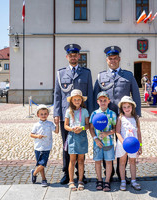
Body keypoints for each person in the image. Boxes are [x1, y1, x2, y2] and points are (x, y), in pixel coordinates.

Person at [93, 45, 141, 181]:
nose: (112, 60)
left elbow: (136, 95)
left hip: (123, 116)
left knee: (124, 143)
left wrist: (136, 115)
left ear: (119, 59)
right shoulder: (101, 76)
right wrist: (94, 115)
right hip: (105, 116)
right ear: (107, 60)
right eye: (110, 58)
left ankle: (122, 172)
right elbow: (95, 95)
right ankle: (107, 169)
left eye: (115, 58)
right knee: (105, 142)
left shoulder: (128, 75)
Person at [53, 44, 93, 184]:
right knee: (67, 145)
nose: (73, 57)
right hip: (67, 115)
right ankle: (66, 172)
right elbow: (57, 95)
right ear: (67, 57)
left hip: (82, 116)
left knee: (81, 144)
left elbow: (90, 94)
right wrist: (56, 114)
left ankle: (81, 174)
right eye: (71, 55)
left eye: (75, 55)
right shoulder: (60, 73)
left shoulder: (86, 73)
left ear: (79, 56)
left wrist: (91, 116)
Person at [89, 91, 117, 192]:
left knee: (109, 162)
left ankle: (107, 181)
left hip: (108, 142)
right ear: (97, 102)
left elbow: (115, 129)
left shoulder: (112, 114)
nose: (103, 102)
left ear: (109, 101)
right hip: (97, 143)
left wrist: (107, 133)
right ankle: (99, 180)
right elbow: (91, 128)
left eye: (105, 100)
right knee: (97, 162)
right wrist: (95, 138)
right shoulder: (94, 113)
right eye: (101, 100)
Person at [64, 89, 90, 191]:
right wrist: (72, 129)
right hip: (72, 137)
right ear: (71, 101)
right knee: (72, 160)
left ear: (81, 100)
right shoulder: (68, 111)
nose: (77, 101)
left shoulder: (85, 111)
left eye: (79, 99)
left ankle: (80, 180)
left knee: (81, 160)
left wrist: (82, 128)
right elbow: (66, 125)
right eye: (75, 99)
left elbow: (88, 125)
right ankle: (71, 181)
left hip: (82, 136)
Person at [115, 96, 142, 191]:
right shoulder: (120, 118)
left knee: (132, 161)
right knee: (122, 162)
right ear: (121, 108)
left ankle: (133, 180)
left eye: (128, 106)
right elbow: (117, 132)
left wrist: (140, 146)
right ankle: (123, 180)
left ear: (132, 107)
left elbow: (139, 133)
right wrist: (123, 142)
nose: (126, 109)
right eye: (124, 107)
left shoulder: (136, 118)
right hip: (123, 143)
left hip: (134, 144)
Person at [30, 105, 59, 187]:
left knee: (43, 163)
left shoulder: (50, 124)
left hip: (47, 147)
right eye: (41, 114)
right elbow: (31, 134)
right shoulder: (36, 125)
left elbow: (56, 131)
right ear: (38, 115)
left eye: (45, 114)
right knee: (40, 164)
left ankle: (34, 173)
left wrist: (57, 124)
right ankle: (44, 179)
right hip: (38, 147)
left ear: (48, 114)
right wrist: (37, 136)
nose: (43, 115)